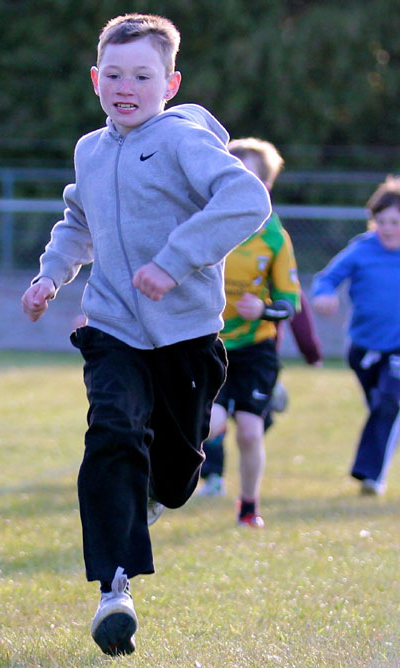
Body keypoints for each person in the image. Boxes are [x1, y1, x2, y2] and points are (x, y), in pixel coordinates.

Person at [21, 14, 271, 657]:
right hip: (111, 326)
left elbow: (247, 200)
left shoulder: (185, 142)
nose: (125, 85)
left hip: (186, 335)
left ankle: (160, 493)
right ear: (95, 80)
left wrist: (174, 260)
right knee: (111, 430)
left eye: (142, 75)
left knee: (177, 478)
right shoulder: (91, 148)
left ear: (171, 81)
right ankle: (114, 590)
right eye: (113, 73)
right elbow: (79, 217)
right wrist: (52, 276)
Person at [199, 137, 301, 527]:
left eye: (246, 177)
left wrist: (264, 309)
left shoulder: (275, 237)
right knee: (209, 425)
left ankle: (248, 508)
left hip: (256, 347)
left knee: (250, 431)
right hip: (211, 344)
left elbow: (290, 302)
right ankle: (168, 483)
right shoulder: (206, 224)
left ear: (265, 187)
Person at [312, 175, 400, 497]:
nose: (388, 228)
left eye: (395, 221)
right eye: (382, 221)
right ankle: (378, 457)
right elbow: (326, 279)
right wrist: (324, 296)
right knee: (381, 407)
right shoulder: (362, 250)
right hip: (362, 347)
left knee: (389, 402)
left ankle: (370, 476)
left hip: (398, 348)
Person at [199, 289, 323, 496]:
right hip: (217, 350)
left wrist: (310, 351)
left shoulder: (274, 269)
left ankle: (268, 397)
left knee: (250, 427)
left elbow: (296, 310)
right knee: (212, 421)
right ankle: (214, 475)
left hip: (257, 362)